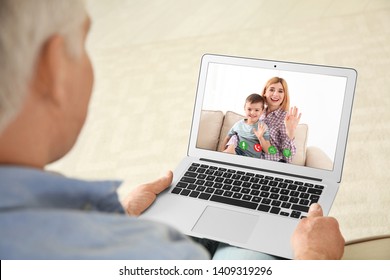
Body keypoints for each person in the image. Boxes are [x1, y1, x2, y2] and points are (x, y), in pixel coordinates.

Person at [0, 0, 344, 260]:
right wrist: (315, 260)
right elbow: (232, 142)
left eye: (278, 92)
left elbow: (283, 158)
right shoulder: (242, 122)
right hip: (231, 177)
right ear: (54, 69)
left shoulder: (284, 123)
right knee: (245, 251)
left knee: (209, 229)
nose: (271, 97)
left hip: (272, 176)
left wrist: (121, 215)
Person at [259, 77, 301, 163]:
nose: (275, 94)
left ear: (284, 96)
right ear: (264, 92)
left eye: (280, 91)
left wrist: (290, 132)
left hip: (272, 163)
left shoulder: (286, 118)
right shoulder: (257, 112)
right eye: (272, 90)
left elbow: (288, 158)